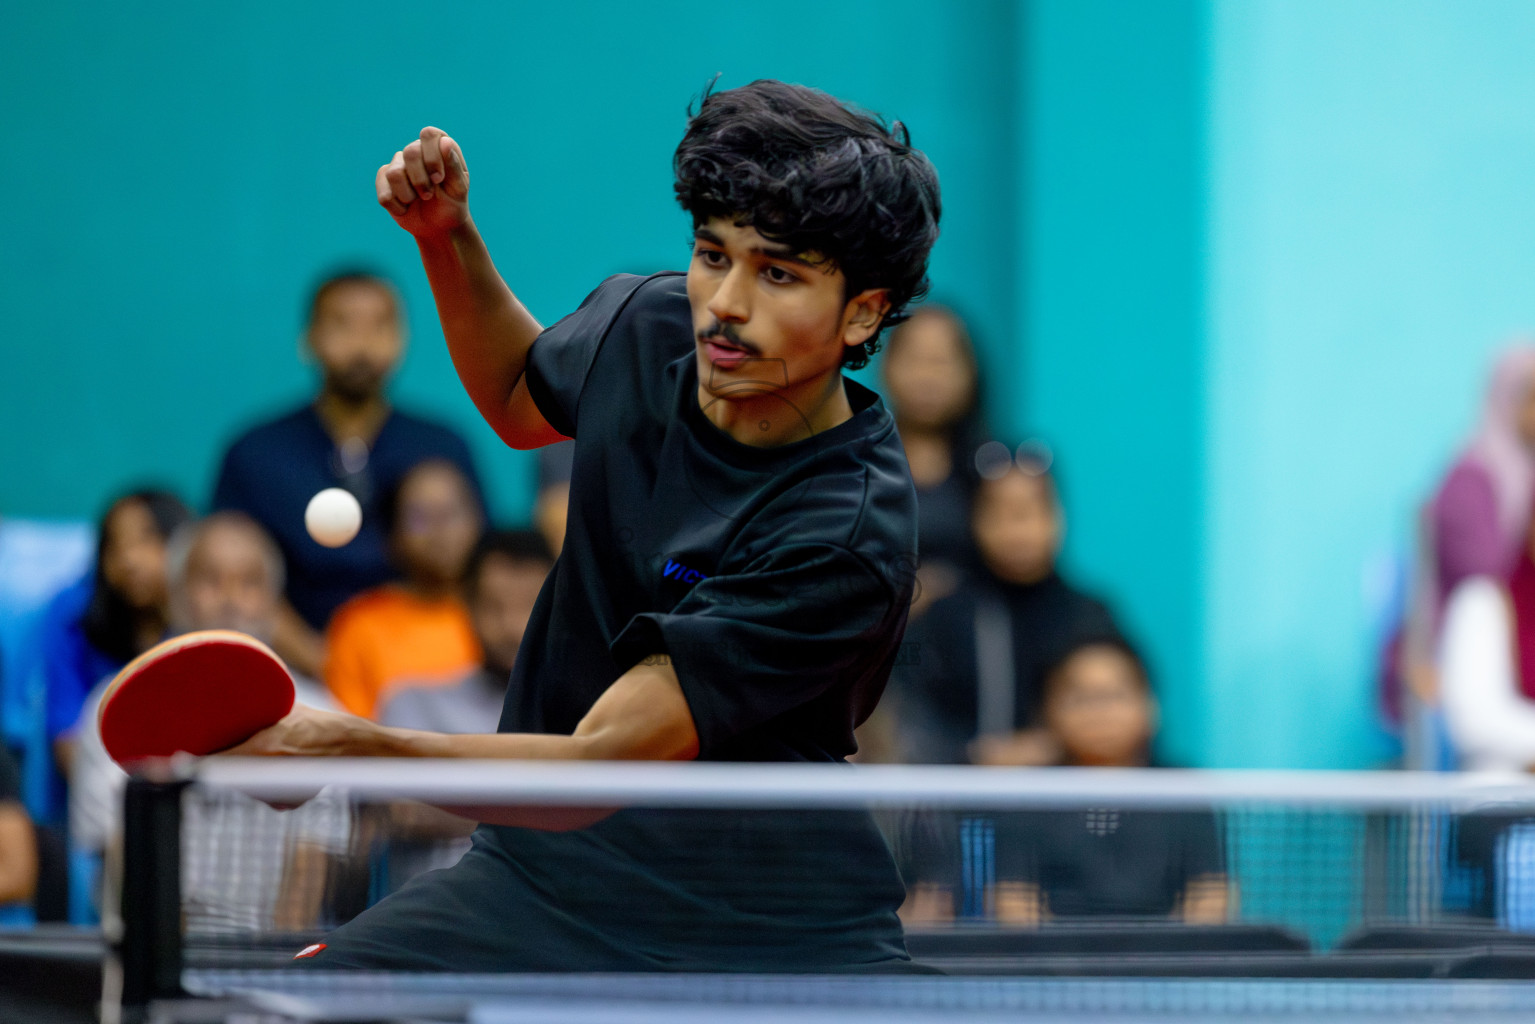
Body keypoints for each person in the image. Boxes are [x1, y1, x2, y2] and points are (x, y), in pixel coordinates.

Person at [229, 79, 941, 972]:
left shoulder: (846, 529)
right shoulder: (649, 327)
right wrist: (446, 238)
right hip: (542, 881)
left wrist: (348, 740)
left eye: (779, 273)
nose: (724, 303)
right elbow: (520, 397)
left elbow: (597, 764)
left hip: (765, 936)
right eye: (713, 255)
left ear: (864, 312)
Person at [70, 513, 349, 931]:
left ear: (275, 603)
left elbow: (312, 863)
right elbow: (121, 853)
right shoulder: (113, 705)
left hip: (277, 964)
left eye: (250, 582)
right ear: (177, 595)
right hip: (153, 959)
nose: (231, 597)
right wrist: (174, 968)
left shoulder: (323, 715)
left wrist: (269, 975)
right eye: (211, 580)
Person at [211, 269, 485, 680]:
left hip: (428, 674)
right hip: (292, 672)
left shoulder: (442, 447)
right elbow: (226, 573)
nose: (362, 343)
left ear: (402, 339)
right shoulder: (255, 452)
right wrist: (329, 666)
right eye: (342, 324)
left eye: (380, 325)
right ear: (309, 339)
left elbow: (477, 571)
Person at [891, 451, 1119, 765]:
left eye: (1032, 509)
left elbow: (1125, 714)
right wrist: (974, 755)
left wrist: (1062, 744)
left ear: (1059, 516)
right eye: (1000, 511)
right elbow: (908, 718)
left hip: (1070, 797)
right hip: (964, 799)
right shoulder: (943, 617)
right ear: (973, 519)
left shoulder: (1091, 616)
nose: (1018, 528)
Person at [992, 637, 1228, 924]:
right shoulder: (1025, 797)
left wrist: (1169, 959)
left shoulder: (1184, 792)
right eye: (1080, 698)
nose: (1099, 713)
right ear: (1048, 712)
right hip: (1055, 962)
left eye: (1115, 694)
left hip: (1165, 961)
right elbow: (1013, 898)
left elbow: (1210, 893)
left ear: (1150, 708)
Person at [43, 490, 193, 783]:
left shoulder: (205, 626)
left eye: (147, 539)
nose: (128, 558)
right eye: (115, 544)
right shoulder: (74, 619)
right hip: (107, 794)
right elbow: (67, 737)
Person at [323, 459, 485, 719]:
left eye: (452, 513)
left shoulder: (504, 615)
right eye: (420, 517)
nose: (440, 530)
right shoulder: (358, 624)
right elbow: (350, 731)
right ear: (393, 535)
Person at [379, 529, 552, 733]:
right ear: (467, 607)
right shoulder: (415, 703)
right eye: (493, 607)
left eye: (530, 607)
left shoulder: (589, 710)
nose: (512, 627)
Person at [880, 305, 987, 616]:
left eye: (942, 362)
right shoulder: (849, 463)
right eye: (914, 359)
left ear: (970, 373)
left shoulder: (990, 467)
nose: (927, 376)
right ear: (887, 366)